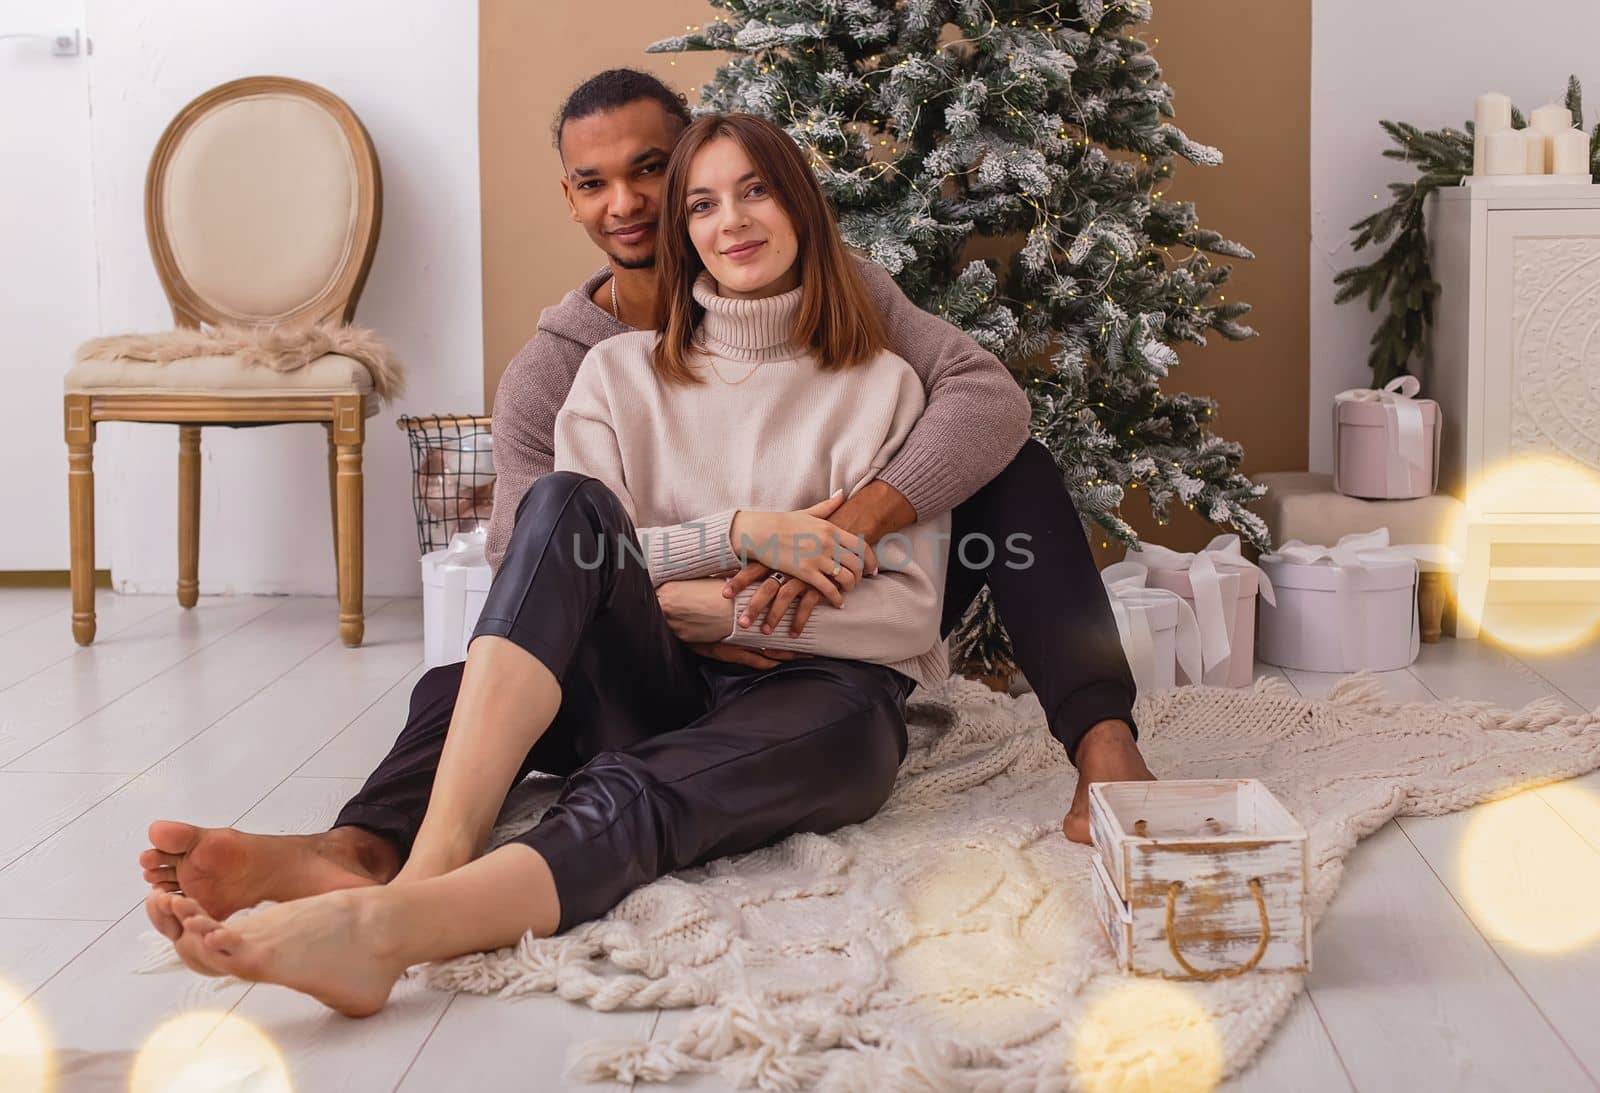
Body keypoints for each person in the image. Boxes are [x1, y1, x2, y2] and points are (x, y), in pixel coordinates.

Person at [137, 73, 1153, 1016]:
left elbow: (907, 586)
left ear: (802, 205)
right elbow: (544, 567)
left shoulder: (884, 376)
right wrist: (732, 561)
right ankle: (394, 857)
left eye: (742, 189)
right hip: (646, 662)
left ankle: (389, 920)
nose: (694, 213)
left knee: (763, 751)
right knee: (521, 585)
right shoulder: (598, 375)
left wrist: (834, 535)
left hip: (819, 692)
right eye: (697, 203)